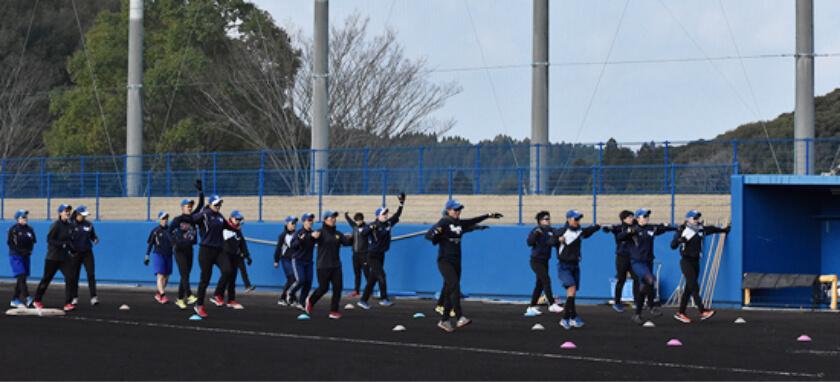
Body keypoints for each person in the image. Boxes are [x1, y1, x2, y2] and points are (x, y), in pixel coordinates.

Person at [425, 199, 500, 332]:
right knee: (454, 286)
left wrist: (488, 215)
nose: (458, 212)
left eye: (459, 209)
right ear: (448, 210)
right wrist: (437, 233)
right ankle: (459, 316)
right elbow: (430, 237)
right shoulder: (444, 222)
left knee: (449, 289)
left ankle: (444, 320)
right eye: (455, 209)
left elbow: (471, 222)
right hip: (444, 260)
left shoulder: (458, 223)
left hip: (456, 261)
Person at [670, 210, 729, 323]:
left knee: (688, 288)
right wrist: (679, 240)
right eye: (694, 218)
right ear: (688, 219)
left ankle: (680, 312)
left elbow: (711, 229)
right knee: (694, 286)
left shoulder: (700, 230)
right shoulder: (683, 230)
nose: (696, 220)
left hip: (696, 261)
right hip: (686, 261)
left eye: (697, 218)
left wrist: (723, 230)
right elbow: (672, 245)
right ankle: (703, 311)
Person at [621, 208, 677, 324]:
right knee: (650, 280)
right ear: (637, 218)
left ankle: (637, 314)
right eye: (644, 216)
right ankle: (651, 306)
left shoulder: (651, 228)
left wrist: (677, 228)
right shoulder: (634, 230)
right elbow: (619, 237)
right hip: (638, 262)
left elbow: (663, 229)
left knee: (643, 287)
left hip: (648, 261)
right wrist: (627, 232)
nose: (646, 218)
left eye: (647, 216)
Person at [357, 192, 405, 309]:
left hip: (381, 255)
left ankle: (363, 300)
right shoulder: (373, 225)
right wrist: (369, 228)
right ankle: (384, 298)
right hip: (372, 255)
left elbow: (397, 216)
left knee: (372, 280)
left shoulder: (388, 224)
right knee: (381, 276)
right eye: (383, 214)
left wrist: (401, 204)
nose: (386, 215)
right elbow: (362, 233)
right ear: (378, 215)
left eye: (386, 213)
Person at [554, 210, 600, 329]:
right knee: (572, 290)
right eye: (575, 219)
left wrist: (597, 227)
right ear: (568, 219)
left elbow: (587, 232)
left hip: (575, 265)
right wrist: (558, 240)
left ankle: (573, 316)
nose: (577, 221)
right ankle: (565, 318)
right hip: (564, 265)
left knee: (572, 294)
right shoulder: (563, 231)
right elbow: (550, 241)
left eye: (579, 219)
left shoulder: (579, 231)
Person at [192, 195, 234, 318]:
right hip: (206, 250)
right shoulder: (204, 215)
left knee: (227, 270)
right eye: (216, 204)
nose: (218, 206)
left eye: (219, 204)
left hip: (218, 250)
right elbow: (192, 218)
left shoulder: (220, 217)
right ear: (210, 205)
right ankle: (199, 304)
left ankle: (217, 295)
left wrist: (236, 230)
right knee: (205, 280)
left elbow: (227, 226)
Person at [305, 211, 353, 319]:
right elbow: (310, 239)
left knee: (338, 287)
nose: (333, 220)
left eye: (334, 218)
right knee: (323, 288)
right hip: (323, 265)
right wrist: (311, 236)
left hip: (335, 265)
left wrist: (350, 238)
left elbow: (346, 243)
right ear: (325, 220)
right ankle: (311, 301)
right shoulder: (320, 232)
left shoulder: (337, 234)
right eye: (330, 218)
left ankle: (334, 311)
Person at [32, 204, 76, 311]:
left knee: (71, 277)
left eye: (69, 211)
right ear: (60, 213)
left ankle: (68, 303)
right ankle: (37, 300)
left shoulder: (70, 226)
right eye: (65, 211)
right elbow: (49, 239)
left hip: (65, 258)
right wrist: (62, 244)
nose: (68, 213)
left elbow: (70, 241)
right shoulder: (56, 225)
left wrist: (73, 250)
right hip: (53, 257)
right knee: (47, 279)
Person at [168, 180, 204, 309]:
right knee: (184, 274)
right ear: (183, 208)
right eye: (188, 206)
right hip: (179, 250)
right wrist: (174, 243)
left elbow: (201, 205)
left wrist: (200, 192)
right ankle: (189, 295)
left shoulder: (193, 217)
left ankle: (179, 299)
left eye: (190, 206)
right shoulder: (178, 219)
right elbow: (169, 231)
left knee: (186, 275)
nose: (190, 208)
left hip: (189, 249)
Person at [524, 211, 564, 316]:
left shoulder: (551, 231)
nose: (548, 221)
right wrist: (537, 234)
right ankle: (551, 304)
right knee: (546, 280)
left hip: (545, 260)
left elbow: (556, 239)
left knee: (540, 284)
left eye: (549, 218)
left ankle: (532, 306)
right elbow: (529, 242)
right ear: (540, 221)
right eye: (546, 219)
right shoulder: (537, 230)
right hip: (536, 260)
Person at [209, 210, 250, 309]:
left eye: (240, 220)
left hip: (234, 255)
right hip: (225, 255)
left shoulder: (237, 230)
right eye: (237, 219)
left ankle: (231, 299)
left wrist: (246, 254)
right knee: (226, 273)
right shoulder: (226, 229)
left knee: (232, 277)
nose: (238, 221)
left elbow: (241, 243)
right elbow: (228, 245)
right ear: (231, 218)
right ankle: (217, 295)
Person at [602, 210, 638, 312]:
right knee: (621, 279)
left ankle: (636, 301)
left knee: (636, 278)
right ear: (624, 219)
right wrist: (607, 228)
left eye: (632, 217)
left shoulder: (635, 226)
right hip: (622, 257)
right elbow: (611, 228)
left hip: (633, 257)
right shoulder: (619, 228)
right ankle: (617, 302)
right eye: (629, 218)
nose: (632, 219)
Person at [69, 205, 99, 306]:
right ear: (78, 214)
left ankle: (93, 296)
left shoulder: (88, 225)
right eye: (83, 215)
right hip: (76, 253)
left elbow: (92, 235)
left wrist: (95, 239)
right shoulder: (71, 225)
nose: (84, 217)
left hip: (87, 252)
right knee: (74, 276)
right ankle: (74, 297)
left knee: (91, 274)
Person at [289, 213, 319, 311]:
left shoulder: (313, 233)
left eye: (311, 220)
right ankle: (290, 292)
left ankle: (301, 302)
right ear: (303, 222)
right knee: (301, 280)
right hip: (298, 260)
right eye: (308, 220)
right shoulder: (299, 232)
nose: (310, 222)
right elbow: (293, 245)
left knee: (308, 282)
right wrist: (307, 237)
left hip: (308, 261)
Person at [145, 211, 175, 304]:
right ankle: (163, 295)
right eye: (163, 218)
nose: (165, 220)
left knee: (166, 276)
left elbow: (175, 242)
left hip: (169, 254)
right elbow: (150, 244)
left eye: (166, 218)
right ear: (159, 220)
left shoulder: (171, 230)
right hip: (159, 254)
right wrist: (147, 255)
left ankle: (159, 292)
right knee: (160, 275)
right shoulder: (155, 231)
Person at [8, 209, 36, 308]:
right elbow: (10, 243)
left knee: (21, 279)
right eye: (23, 217)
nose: (25, 219)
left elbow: (33, 241)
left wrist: (29, 251)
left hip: (26, 256)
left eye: (26, 217)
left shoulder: (30, 229)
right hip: (16, 256)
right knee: (22, 276)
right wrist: (20, 251)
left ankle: (14, 299)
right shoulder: (13, 229)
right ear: (18, 219)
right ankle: (27, 297)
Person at [344, 212, 370, 297]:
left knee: (366, 273)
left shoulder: (366, 228)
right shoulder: (354, 226)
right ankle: (356, 290)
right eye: (357, 221)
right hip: (355, 254)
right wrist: (346, 215)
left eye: (360, 221)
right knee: (357, 273)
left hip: (364, 254)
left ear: (363, 220)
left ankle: (370, 290)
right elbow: (350, 221)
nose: (358, 223)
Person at [274, 216, 298, 306]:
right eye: (292, 223)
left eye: (295, 223)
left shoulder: (297, 234)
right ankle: (286, 297)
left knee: (294, 279)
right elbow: (278, 248)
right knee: (291, 278)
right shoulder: (283, 235)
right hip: (286, 259)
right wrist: (276, 260)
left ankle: (288, 298)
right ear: (287, 224)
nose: (294, 225)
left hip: (294, 260)